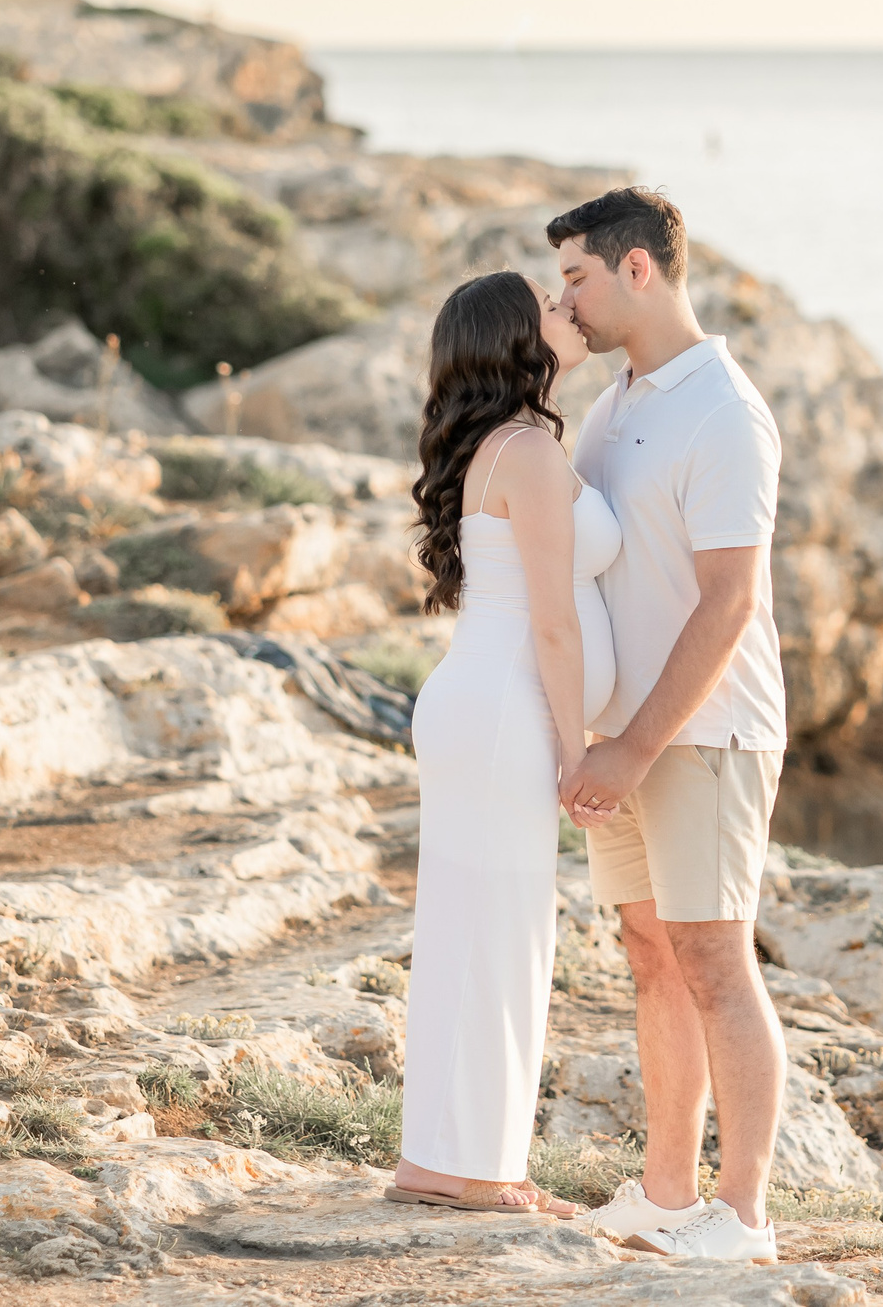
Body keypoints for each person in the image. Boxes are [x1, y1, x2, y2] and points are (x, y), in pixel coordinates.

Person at [550, 187, 789, 1264]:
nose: (568, 299)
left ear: (636, 268)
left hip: (704, 732)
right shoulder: (613, 402)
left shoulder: (723, 411)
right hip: (622, 734)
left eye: (578, 278)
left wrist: (634, 744)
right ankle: (662, 1192)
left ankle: (741, 1216)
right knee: (649, 953)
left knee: (711, 955)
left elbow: (728, 603)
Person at [388, 271, 622, 1216]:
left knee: (462, 933)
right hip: (503, 714)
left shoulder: (509, 444)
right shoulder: (525, 452)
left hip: (475, 703)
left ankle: (442, 1162)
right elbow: (556, 624)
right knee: (504, 936)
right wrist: (579, 749)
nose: (569, 311)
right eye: (551, 307)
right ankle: (479, 1170)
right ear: (518, 340)